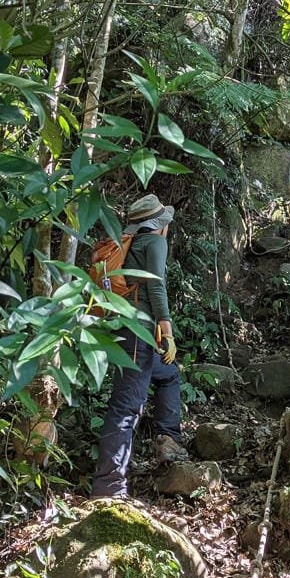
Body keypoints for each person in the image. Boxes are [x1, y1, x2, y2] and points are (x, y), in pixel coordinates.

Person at [91, 194, 188, 498]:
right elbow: (156, 285)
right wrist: (167, 331)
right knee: (126, 407)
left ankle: (168, 438)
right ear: (161, 224)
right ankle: (109, 487)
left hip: (124, 330)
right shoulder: (155, 242)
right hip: (138, 334)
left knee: (168, 374)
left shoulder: (128, 244)